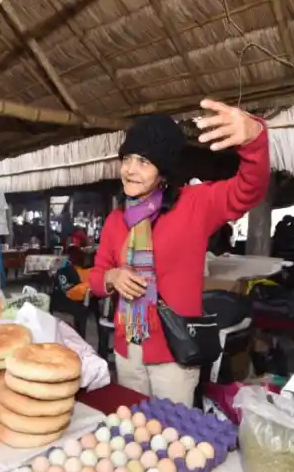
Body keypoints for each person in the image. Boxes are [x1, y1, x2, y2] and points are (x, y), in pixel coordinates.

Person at [90, 101, 270, 407]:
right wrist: (111, 276)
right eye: (128, 159)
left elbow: (248, 189)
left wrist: (255, 140)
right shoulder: (115, 220)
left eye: (144, 162)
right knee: (134, 435)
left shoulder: (195, 205)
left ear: (164, 172)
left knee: (173, 438)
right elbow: (95, 278)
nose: (130, 169)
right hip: (127, 352)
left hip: (174, 354)